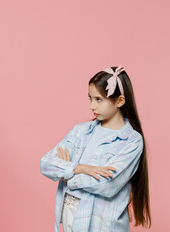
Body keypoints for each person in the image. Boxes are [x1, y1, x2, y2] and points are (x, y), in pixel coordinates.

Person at [40, 67, 151, 232]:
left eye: (99, 99)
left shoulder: (131, 141)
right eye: (90, 98)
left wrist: (66, 175)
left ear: (119, 101)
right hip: (70, 213)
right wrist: (81, 168)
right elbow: (46, 163)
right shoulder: (81, 131)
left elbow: (107, 185)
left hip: (103, 224)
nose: (92, 106)